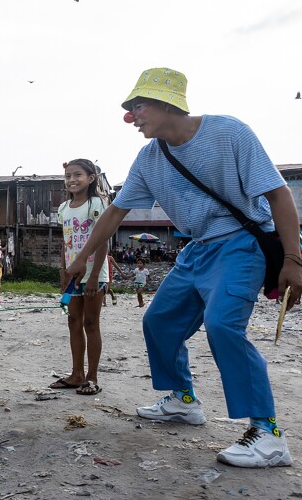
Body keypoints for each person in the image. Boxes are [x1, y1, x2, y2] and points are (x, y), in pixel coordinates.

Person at [66, 67, 302, 467]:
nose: (132, 116)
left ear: (166, 103)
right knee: (159, 321)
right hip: (195, 249)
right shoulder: (149, 158)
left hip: (240, 243)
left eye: (138, 106)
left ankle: (268, 434)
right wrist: (82, 257)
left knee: (224, 325)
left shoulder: (229, 133)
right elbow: (114, 213)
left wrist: (294, 260)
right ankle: (183, 400)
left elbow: (279, 194)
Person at [50, 159, 109, 396]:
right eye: (67, 176)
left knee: (91, 323)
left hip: (95, 274)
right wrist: (64, 271)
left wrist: (95, 275)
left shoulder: (97, 203)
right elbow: (66, 243)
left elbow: (104, 240)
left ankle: (92, 377)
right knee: (73, 321)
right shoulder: (64, 208)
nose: (72, 180)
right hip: (73, 276)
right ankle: (76, 374)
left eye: (77, 175)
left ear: (91, 179)